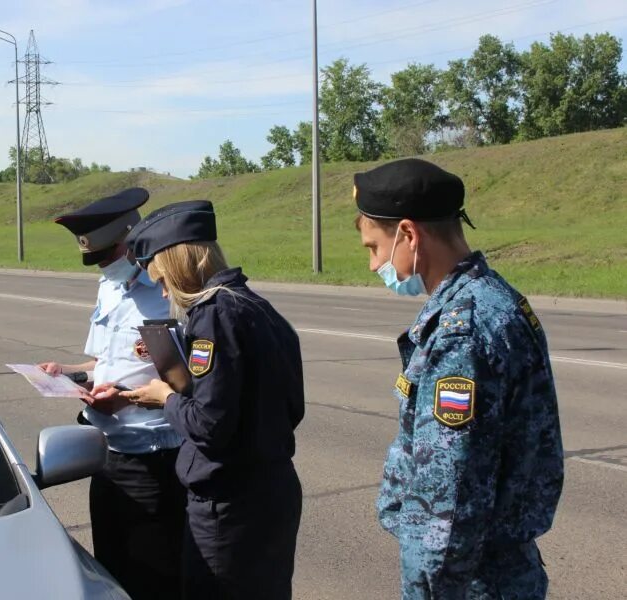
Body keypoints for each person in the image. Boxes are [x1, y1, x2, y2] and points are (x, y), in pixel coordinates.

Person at [353, 158, 564, 599]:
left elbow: (444, 507)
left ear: (409, 234)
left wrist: (426, 591)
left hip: (472, 581)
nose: (374, 266)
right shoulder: (497, 296)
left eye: (374, 247)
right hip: (504, 569)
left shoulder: (461, 332)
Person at [104, 200, 305, 599]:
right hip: (271, 492)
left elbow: (210, 426)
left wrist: (165, 398)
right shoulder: (254, 306)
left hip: (229, 505)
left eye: (161, 280)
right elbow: (282, 405)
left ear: (179, 265)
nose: (163, 292)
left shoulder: (214, 316)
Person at [36, 188, 184, 600]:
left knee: (155, 580)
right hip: (107, 456)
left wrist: (126, 398)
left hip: (153, 462)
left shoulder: (167, 293)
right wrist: (67, 373)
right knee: (111, 574)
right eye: (96, 259)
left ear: (132, 239)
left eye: (108, 255)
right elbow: (104, 363)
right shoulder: (109, 288)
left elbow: (191, 382)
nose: (103, 265)